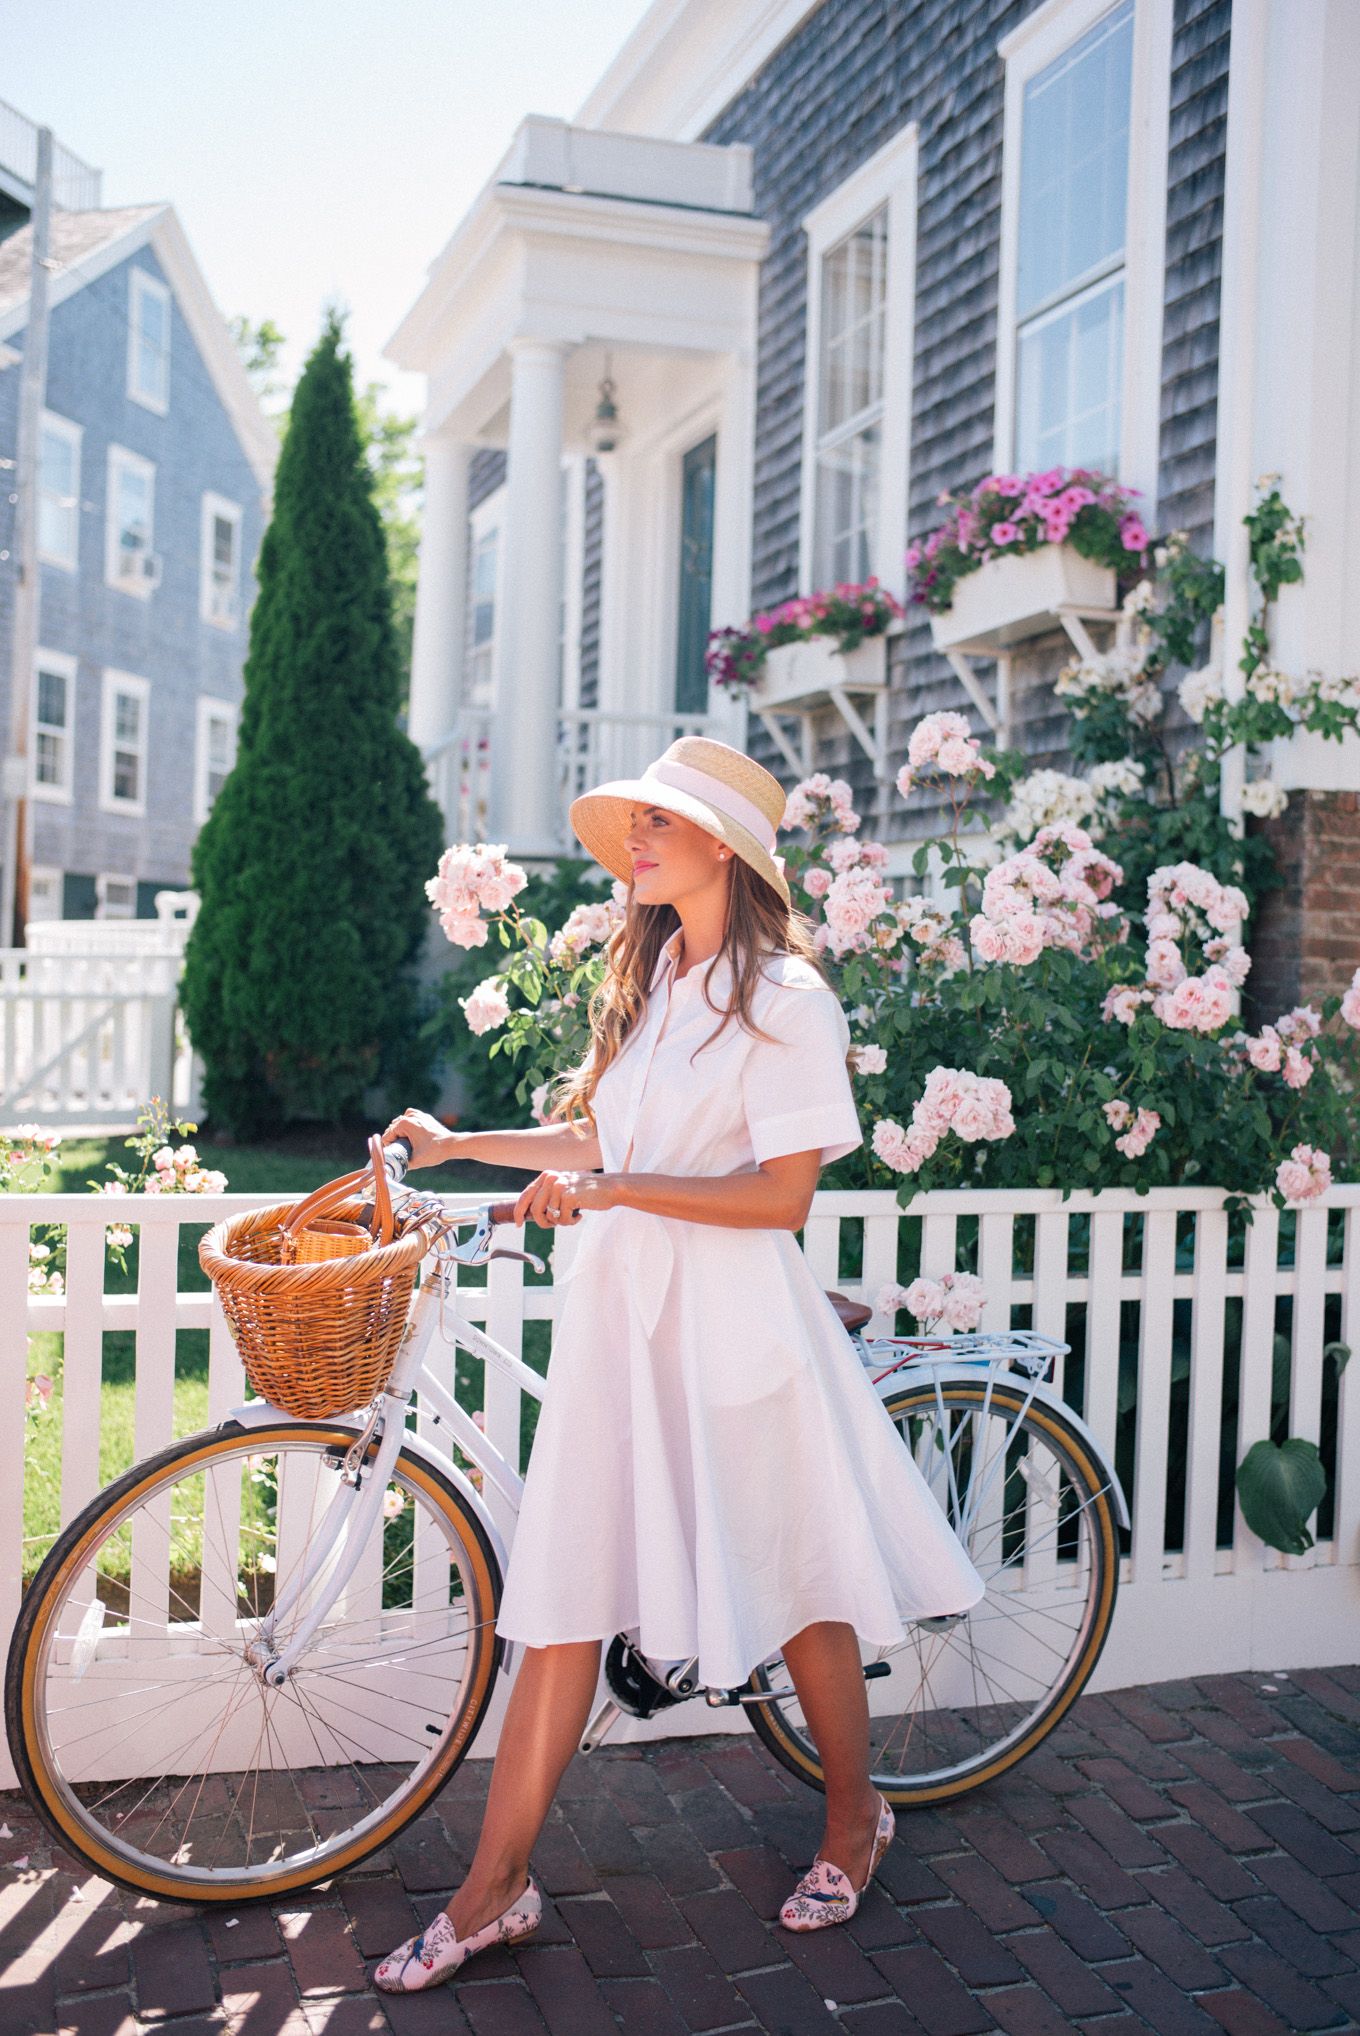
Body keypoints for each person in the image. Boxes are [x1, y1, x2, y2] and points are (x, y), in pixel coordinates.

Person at [374, 735, 986, 1993]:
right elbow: (600, 1128)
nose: (635, 844)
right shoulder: (663, 983)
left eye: (661, 824)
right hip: (624, 1330)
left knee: (800, 1586)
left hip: (737, 1335)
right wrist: (458, 1141)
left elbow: (779, 1199)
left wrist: (609, 1187)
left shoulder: (792, 1000)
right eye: (634, 825)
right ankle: (493, 1890)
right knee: (560, 1600)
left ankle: (850, 1819)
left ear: (724, 848)